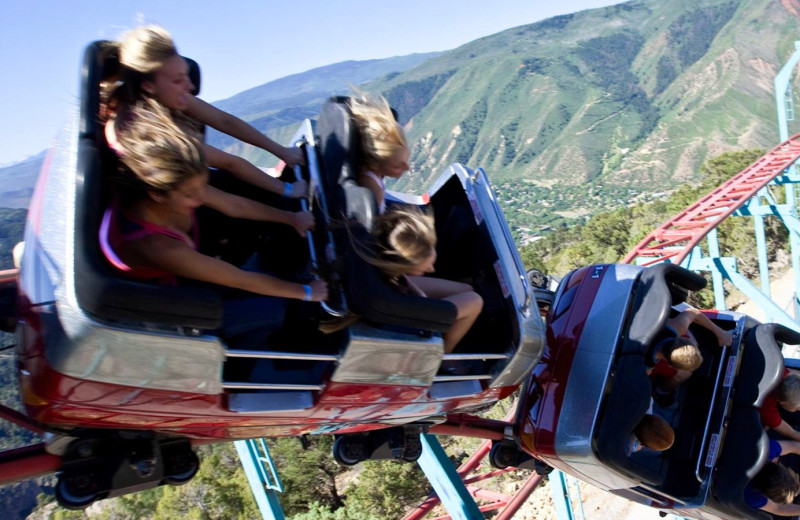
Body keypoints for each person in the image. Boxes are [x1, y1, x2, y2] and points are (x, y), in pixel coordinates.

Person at [100, 101, 327, 347]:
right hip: (180, 294)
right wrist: (308, 292)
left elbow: (233, 205)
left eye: (202, 185)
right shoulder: (158, 246)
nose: (200, 197)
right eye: (190, 194)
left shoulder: (180, 185)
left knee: (237, 195)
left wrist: (291, 219)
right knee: (272, 310)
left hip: (194, 242)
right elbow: (241, 279)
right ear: (157, 194)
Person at [103, 24, 307, 200]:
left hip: (201, 185)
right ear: (148, 85)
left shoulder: (161, 94)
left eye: (185, 74)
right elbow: (229, 163)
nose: (189, 85)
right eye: (178, 80)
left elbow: (224, 121)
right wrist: (287, 190)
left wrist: (283, 152)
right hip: (186, 206)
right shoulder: (145, 133)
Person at [327, 206, 482, 353]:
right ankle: (444, 355)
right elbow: (416, 299)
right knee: (474, 301)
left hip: (382, 282)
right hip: (389, 310)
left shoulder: (375, 245)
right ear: (400, 268)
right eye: (424, 268)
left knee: (465, 290)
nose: (431, 270)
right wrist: (420, 298)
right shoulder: (382, 298)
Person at [646, 307, 734, 405]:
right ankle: (661, 391)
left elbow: (693, 312)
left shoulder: (677, 326)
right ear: (670, 365)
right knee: (685, 374)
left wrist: (720, 333)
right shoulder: (646, 366)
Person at [348, 94, 410, 214]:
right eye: (397, 166)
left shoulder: (372, 172)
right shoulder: (374, 193)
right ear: (374, 164)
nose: (407, 168)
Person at [744, 439, 800, 515]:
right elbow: (778, 508)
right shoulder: (750, 497)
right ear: (766, 495)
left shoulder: (766, 449)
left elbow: (794, 446)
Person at [760, 370, 800, 441]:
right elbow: (792, 434)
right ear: (782, 403)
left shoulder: (782, 371)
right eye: (796, 408)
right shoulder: (767, 409)